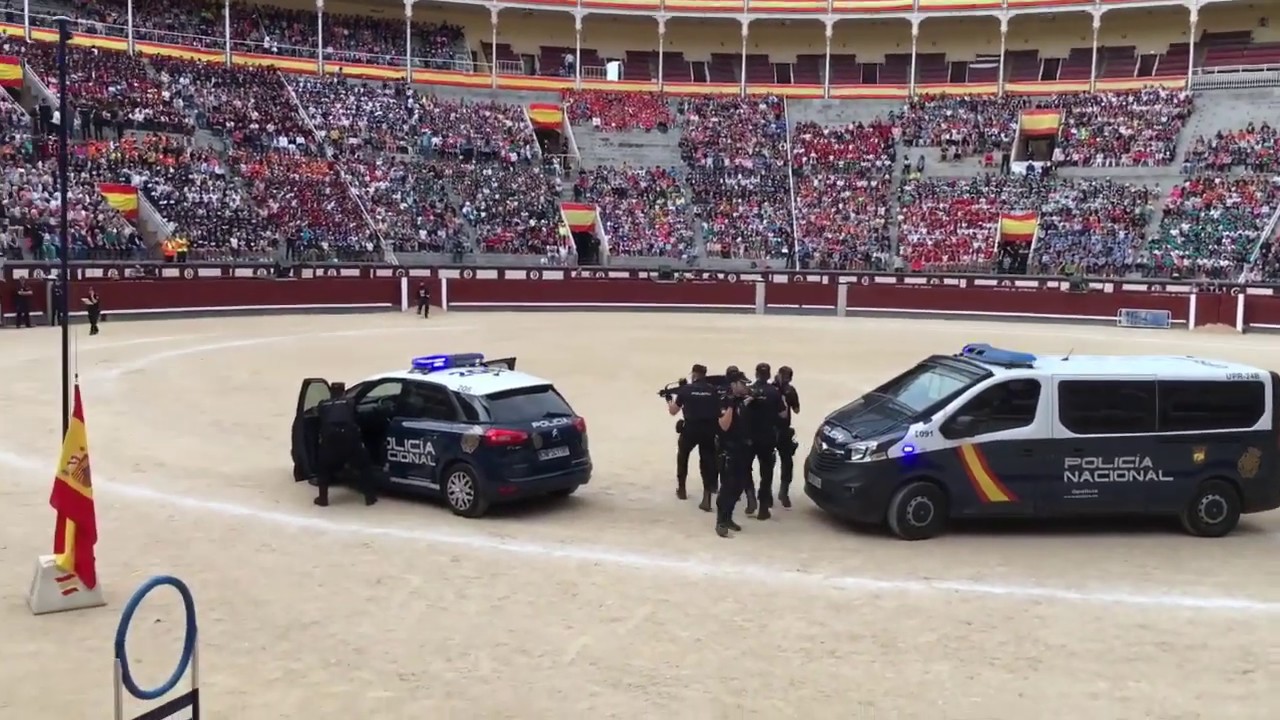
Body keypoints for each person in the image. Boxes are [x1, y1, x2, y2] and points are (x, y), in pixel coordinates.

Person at [314, 382, 378, 507]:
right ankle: (370, 498)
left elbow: (321, 417)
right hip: (350, 439)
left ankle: (323, 499)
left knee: (323, 468)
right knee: (364, 466)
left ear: (331, 393)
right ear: (343, 392)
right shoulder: (349, 402)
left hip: (330, 440)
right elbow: (356, 414)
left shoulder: (323, 404)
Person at [668, 363, 719, 508]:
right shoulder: (712, 390)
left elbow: (673, 411)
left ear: (694, 374)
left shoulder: (686, 390)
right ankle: (707, 496)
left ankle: (682, 489)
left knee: (683, 457)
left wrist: (669, 399)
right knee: (707, 462)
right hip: (708, 430)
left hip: (690, 429)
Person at [715, 370, 753, 538]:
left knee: (739, 486)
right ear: (734, 384)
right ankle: (721, 521)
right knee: (727, 487)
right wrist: (731, 405)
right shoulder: (725, 401)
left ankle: (729, 517)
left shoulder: (742, 400)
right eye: (742, 384)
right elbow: (723, 425)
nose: (745, 387)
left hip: (742, 449)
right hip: (728, 450)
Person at [746, 362, 786, 520]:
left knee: (745, 468)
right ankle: (763, 507)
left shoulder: (749, 391)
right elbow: (783, 414)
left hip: (749, 437)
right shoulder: (774, 392)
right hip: (767, 437)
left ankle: (750, 496)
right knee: (766, 473)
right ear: (769, 375)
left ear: (756, 374)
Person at [773, 366, 801, 508]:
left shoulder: (769, 388)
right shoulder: (790, 390)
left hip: (772, 430)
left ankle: (774, 492)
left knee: (769, 462)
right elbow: (796, 410)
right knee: (786, 461)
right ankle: (783, 492)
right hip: (781, 429)